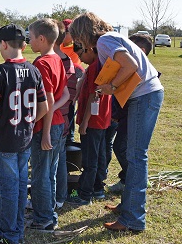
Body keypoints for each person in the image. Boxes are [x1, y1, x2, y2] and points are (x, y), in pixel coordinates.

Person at [69, 12, 163, 232]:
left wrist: (111, 87)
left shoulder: (104, 41)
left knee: (136, 156)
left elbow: (129, 65)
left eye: (76, 39)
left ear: (83, 34)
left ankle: (133, 218)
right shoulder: (108, 40)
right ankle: (129, 205)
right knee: (121, 147)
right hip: (139, 97)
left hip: (144, 96)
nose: (76, 44)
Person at [0, 24, 48, 244]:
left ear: (3, 44)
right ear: (24, 45)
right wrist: (29, 123)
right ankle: (16, 229)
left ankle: (9, 235)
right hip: (24, 139)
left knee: (8, 190)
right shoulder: (34, 70)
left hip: (5, 141)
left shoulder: (0, 72)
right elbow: (44, 107)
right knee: (18, 187)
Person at [27, 19, 70, 232]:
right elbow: (65, 95)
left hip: (48, 127)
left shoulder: (42, 64)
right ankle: (49, 213)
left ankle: (43, 218)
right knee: (49, 172)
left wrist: (42, 132)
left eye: (31, 37)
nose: (29, 40)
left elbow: (49, 101)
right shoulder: (57, 60)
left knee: (40, 175)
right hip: (58, 125)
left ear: (41, 39)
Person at [106, 33, 155, 193]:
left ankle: (133, 180)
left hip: (130, 115)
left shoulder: (142, 72)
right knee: (122, 147)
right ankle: (129, 180)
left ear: (140, 50)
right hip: (124, 117)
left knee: (125, 148)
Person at [67, 45, 111, 206]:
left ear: (90, 50)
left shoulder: (94, 67)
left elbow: (94, 96)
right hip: (102, 120)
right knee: (100, 156)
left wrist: (84, 122)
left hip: (93, 121)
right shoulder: (103, 64)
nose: (81, 59)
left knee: (89, 160)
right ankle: (98, 188)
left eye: (81, 54)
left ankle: (85, 195)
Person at [53, 20, 84, 210]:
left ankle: (53, 197)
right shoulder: (69, 63)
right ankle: (60, 196)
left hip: (52, 121)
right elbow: (71, 96)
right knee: (59, 158)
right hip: (62, 119)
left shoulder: (49, 63)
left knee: (49, 163)